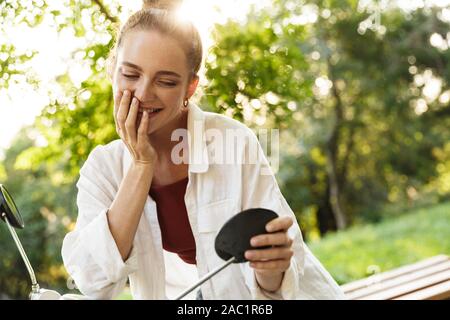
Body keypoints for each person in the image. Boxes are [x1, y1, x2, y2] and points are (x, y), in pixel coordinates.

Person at [61, 0, 345, 300]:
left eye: (167, 81)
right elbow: (92, 280)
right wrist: (141, 165)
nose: (143, 94)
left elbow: (282, 272)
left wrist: (269, 269)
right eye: (131, 75)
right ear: (112, 70)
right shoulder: (102, 169)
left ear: (189, 88)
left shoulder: (233, 142)